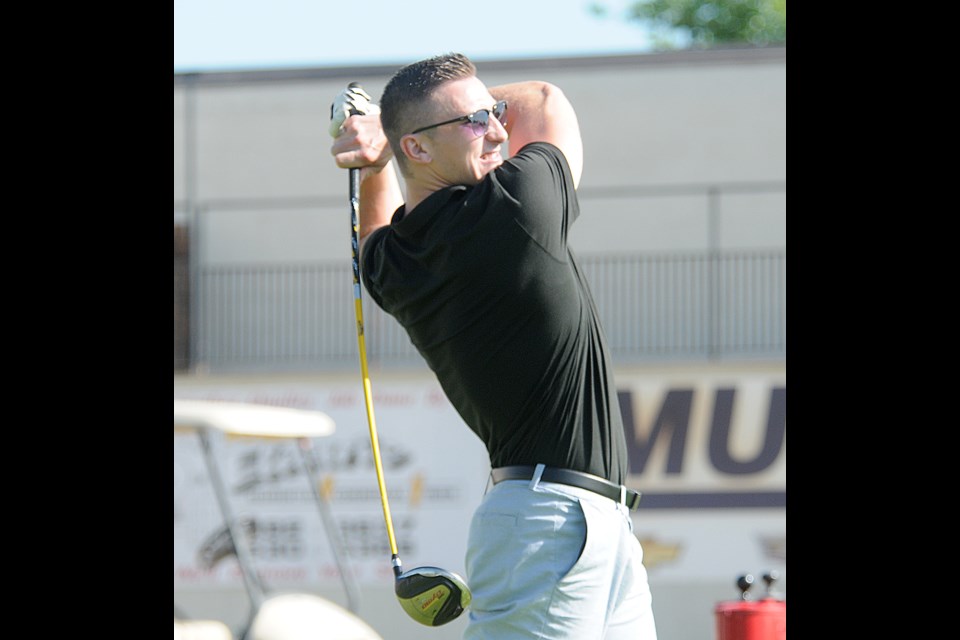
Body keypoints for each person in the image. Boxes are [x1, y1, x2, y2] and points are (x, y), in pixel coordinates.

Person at [330, 52, 657, 640]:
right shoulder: (513, 207)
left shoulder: (390, 267)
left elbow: (374, 230)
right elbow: (546, 99)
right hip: (550, 524)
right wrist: (388, 124)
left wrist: (385, 143)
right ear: (418, 149)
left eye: (496, 113)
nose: (501, 130)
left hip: (572, 522)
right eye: (477, 120)